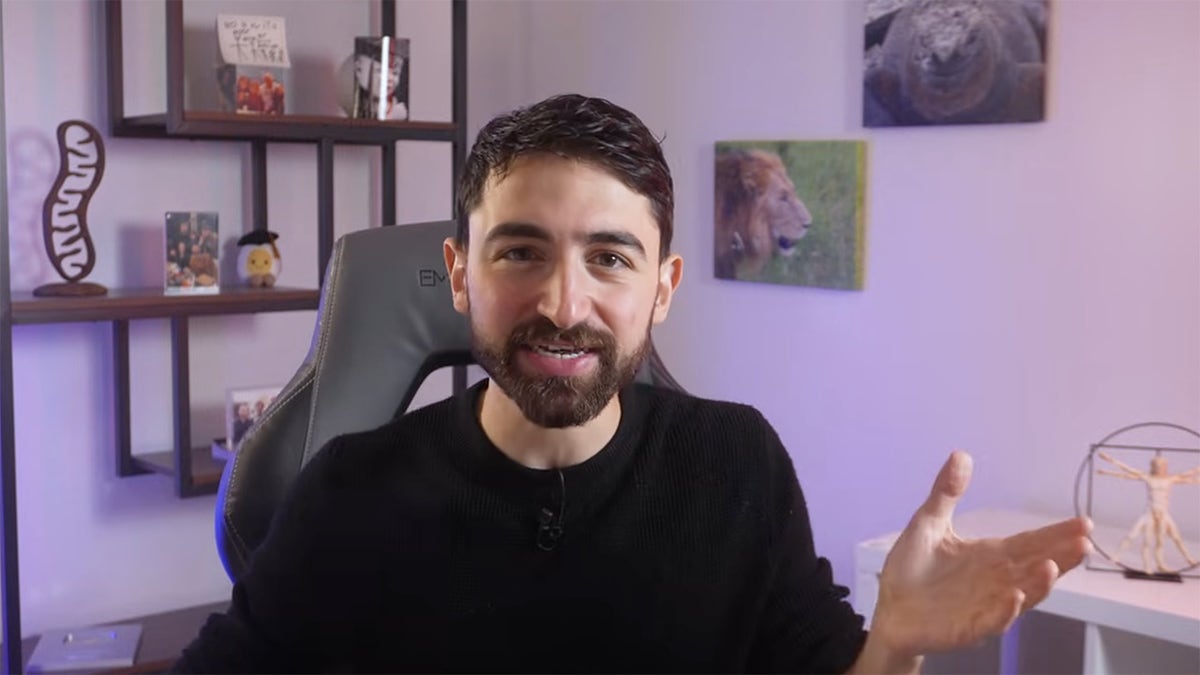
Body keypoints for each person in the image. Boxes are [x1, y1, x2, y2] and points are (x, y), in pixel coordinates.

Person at [174, 94, 1091, 673]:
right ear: (460, 276)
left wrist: (893, 641)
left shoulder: (735, 465)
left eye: (609, 258)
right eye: (521, 251)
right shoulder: (350, 489)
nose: (564, 303)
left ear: (663, 288)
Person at [1096, 450, 1199, 574]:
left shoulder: (1171, 478)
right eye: (1156, 465)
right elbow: (1128, 472)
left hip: (1163, 513)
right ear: (1152, 466)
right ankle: (1123, 558)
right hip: (1150, 512)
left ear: (1165, 467)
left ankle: (1183, 560)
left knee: (1173, 537)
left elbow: (1190, 475)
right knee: (1137, 536)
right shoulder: (1148, 477)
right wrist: (1109, 462)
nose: (1159, 468)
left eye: (1161, 466)